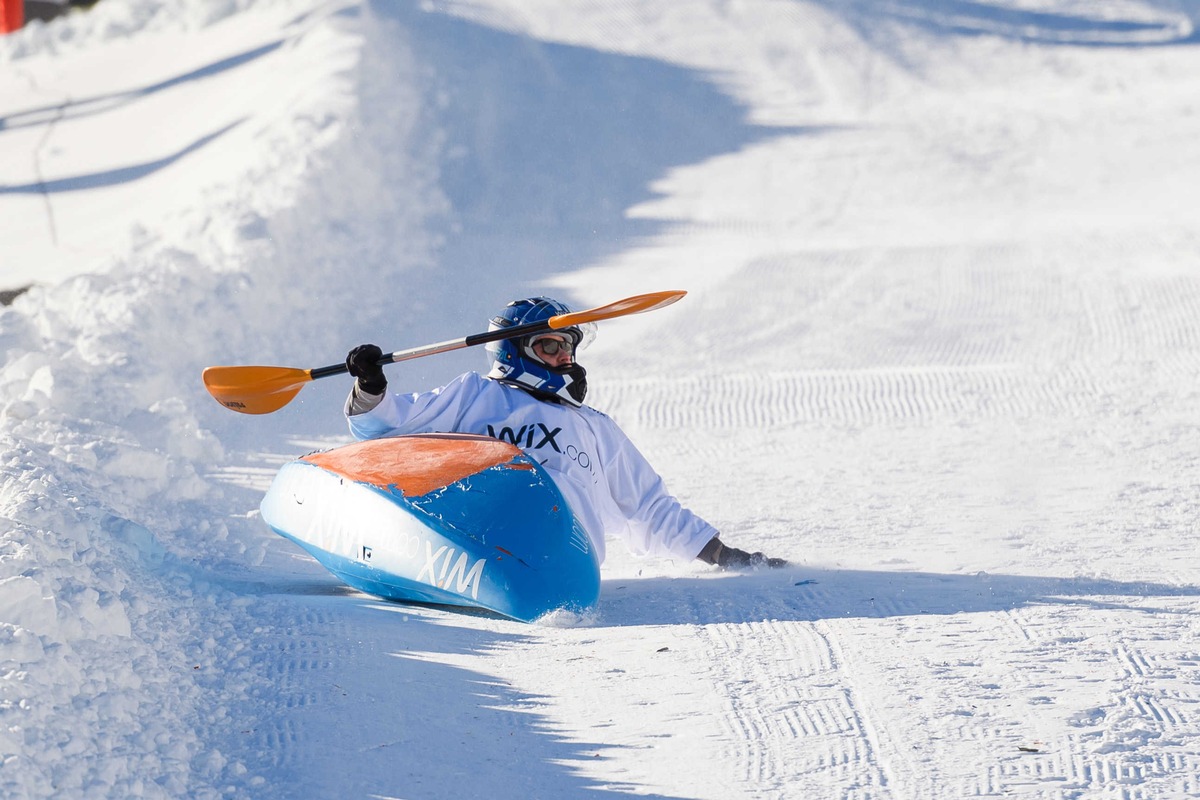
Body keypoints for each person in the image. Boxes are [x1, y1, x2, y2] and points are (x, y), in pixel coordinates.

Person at [343, 296, 786, 570]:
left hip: (565, 555)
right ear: (513, 351)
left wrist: (720, 554)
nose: (562, 357)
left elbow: (648, 507)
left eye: (567, 347)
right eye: (549, 346)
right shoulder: (474, 395)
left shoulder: (595, 427)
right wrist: (371, 385)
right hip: (480, 537)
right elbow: (387, 426)